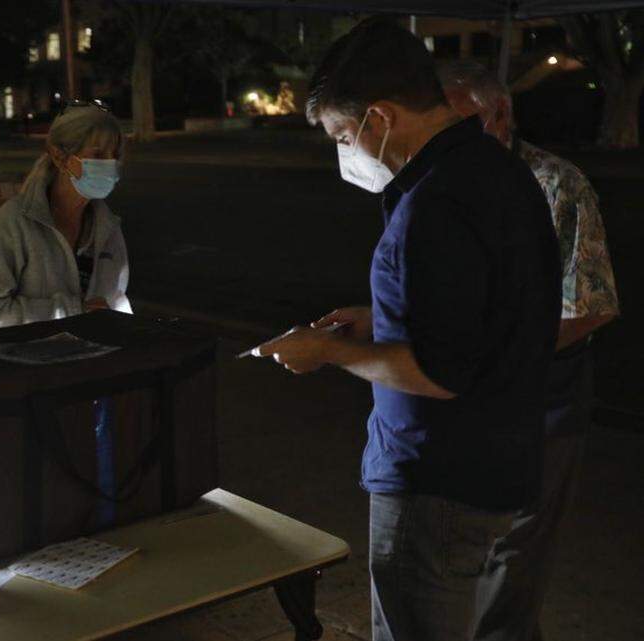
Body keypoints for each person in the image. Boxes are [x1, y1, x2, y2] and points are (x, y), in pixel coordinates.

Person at [255, 20, 561, 641]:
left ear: (381, 117)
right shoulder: (500, 172)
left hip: (435, 484)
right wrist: (380, 317)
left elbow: (439, 370)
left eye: (343, 136)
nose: (346, 152)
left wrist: (328, 350)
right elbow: (489, 309)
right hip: (499, 462)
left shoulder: (434, 205)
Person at [438, 60, 620, 641]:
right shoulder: (446, 182)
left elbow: (590, 307)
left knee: (512, 561)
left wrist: (500, 354)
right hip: (469, 402)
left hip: (543, 403)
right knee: (473, 556)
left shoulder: (557, 184)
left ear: (502, 114)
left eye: (465, 125)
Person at [0, 102, 132, 330]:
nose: (110, 164)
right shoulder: (15, 222)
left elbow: (115, 302)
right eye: (98, 154)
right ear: (59, 157)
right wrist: (74, 312)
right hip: (30, 353)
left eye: (115, 155)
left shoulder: (108, 227)